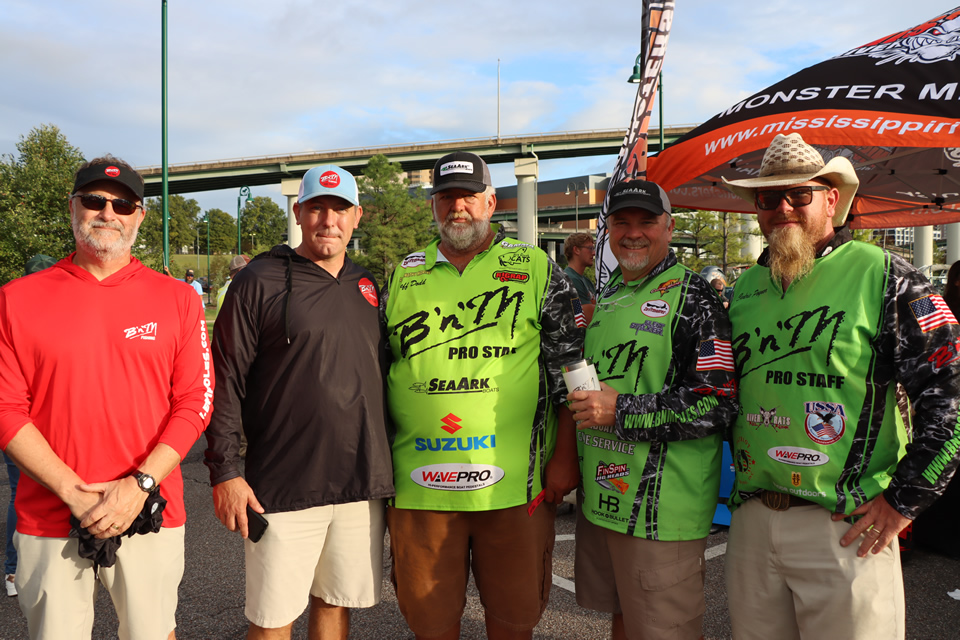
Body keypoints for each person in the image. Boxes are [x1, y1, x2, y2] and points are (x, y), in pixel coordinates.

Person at [722, 133, 960, 639]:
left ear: (832, 198)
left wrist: (903, 503)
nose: (782, 207)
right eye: (768, 197)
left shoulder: (887, 276)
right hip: (752, 520)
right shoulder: (743, 290)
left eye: (799, 195)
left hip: (845, 526)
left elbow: (951, 393)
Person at [0, 155, 213, 639]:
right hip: (50, 515)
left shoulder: (177, 299)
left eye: (123, 204)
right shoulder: (16, 298)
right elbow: (6, 409)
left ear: (140, 214)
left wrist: (137, 486)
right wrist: (75, 492)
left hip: (148, 509)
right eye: (94, 200)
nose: (108, 213)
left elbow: (196, 401)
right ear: (72, 206)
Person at [382, 151, 583, 640]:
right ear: (433, 205)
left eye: (468, 197)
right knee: (429, 624)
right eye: (446, 198)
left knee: (514, 622)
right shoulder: (402, 275)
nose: (458, 208)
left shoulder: (536, 267)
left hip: (515, 488)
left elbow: (572, 367)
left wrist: (565, 458)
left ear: (491, 201)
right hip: (419, 488)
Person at [205, 164, 394, 640]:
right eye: (317, 208)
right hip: (283, 485)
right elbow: (223, 378)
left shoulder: (366, 285)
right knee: (272, 619)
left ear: (357, 218)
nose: (328, 220)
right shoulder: (260, 281)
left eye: (340, 209)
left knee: (334, 604)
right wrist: (225, 471)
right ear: (299, 212)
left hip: (359, 481)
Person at [566, 179, 737, 639]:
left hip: (661, 512)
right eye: (621, 222)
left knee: (663, 631)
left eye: (647, 222)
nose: (633, 233)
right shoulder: (610, 293)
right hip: (603, 499)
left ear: (669, 226)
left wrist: (618, 410)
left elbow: (715, 402)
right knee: (623, 618)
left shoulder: (695, 297)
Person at [3, 255, 58, 598]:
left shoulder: (13, 307)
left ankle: (12, 572)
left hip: (18, 426)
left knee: (20, 494)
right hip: (38, 425)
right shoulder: (57, 312)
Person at [563, 232, 597, 324]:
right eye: (590, 248)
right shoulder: (570, 279)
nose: (593, 253)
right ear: (576, 250)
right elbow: (588, 317)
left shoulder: (586, 281)